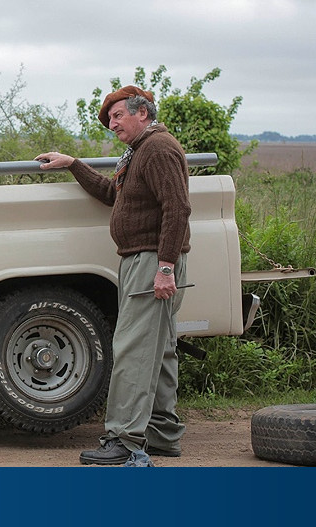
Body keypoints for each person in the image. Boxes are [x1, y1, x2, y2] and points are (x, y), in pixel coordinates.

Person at [36, 86, 191, 467]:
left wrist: (165, 266)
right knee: (159, 349)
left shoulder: (157, 149)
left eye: (118, 115)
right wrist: (74, 164)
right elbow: (111, 193)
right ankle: (162, 434)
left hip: (152, 260)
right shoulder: (140, 151)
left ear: (143, 113)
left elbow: (177, 208)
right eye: (109, 119)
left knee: (133, 349)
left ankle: (123, 439)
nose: (112, 124)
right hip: (147, 259)